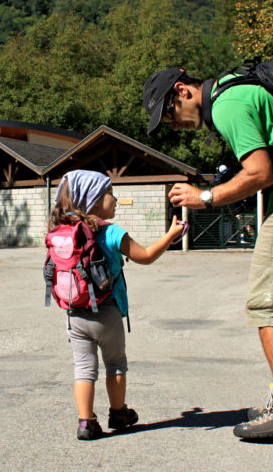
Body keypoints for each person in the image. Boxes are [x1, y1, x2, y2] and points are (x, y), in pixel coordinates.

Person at [142, 67, 273, 439]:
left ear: (182, 91)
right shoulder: (238, 90)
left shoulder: (227, 104)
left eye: (167, 114)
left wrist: (204, 197)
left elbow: (260, 173)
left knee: (268, 303)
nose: (172, 125)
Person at [49, 170, 185, 440]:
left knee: (83, 368)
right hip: (107, 311)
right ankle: (119, 412)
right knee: (116, 364)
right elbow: (145, 256)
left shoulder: (62, 232)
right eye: (110, 193)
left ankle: (86, 422)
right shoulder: (111, 232)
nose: (114, 198)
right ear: (94, 200)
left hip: (74, 313)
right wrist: (171, 235)